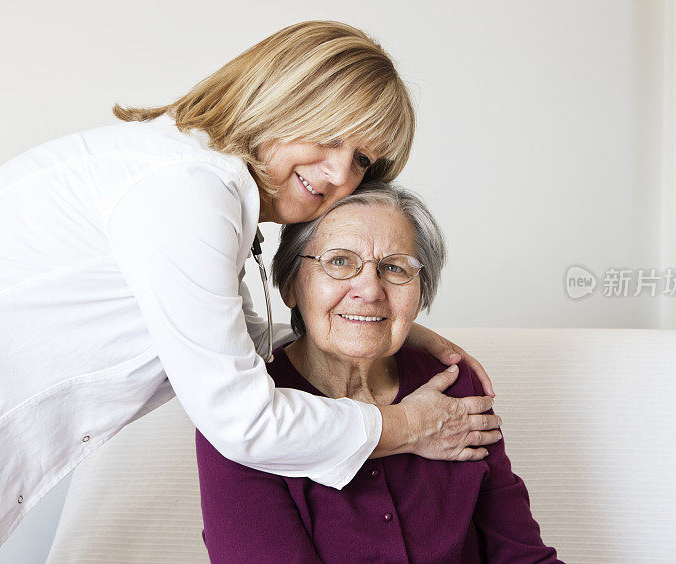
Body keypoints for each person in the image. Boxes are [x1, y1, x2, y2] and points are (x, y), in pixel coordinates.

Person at [0, 21, 501, 558]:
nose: (338, 175)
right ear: (282, 96)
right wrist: (405, 426)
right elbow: (243, 419)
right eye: (330, 134)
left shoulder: (193, 181)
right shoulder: (187, 192)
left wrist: (384, 322)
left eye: (362, 161)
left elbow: (219, 336)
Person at [196, 182, 562, 563]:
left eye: (394, 267)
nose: (370, 290)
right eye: (338, 261)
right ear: (290, 284)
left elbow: (522, 555)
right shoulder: (242, 413)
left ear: (421, 292)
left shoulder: (455, 386)